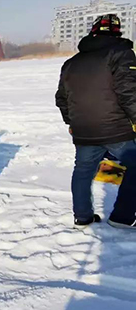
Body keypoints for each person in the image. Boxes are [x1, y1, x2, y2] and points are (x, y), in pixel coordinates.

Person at [56, 13, 136, 229]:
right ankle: (123, 217)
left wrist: (71, 123)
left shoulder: (71, 63)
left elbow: (61, 98)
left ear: (93, 32)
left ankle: (82, 217)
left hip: (83, 130)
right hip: (115, 128)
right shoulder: (121, 53)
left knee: (83, 171)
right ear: (117, 33)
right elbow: (129, 91)